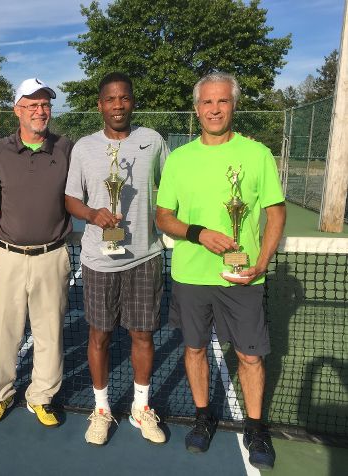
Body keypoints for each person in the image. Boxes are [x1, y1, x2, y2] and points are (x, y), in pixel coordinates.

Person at [155, 72, 286, 471]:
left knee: (250, 356)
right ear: (197, 110)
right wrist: (198, 234)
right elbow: (163, 217)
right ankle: (202, 416)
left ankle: (256, 426)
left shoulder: (258, 154)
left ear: (234, 105)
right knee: (194, 350)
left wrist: (262, 263)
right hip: (191, 277)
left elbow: (275, 212)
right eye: (207, 102)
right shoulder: (179, 158)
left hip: (243, 279)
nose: (214, 109)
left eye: (222, 101)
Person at [65, 72, 169, 445]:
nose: (118, 105)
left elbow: (171, 188)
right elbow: (71, 199)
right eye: (110, 99)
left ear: (132, 101)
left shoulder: (153, 141)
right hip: (99, 260)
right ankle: (102, 409)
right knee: (100, 335)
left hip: (145, 257)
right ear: (100, 105)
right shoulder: (83, 148)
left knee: (142, 334)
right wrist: (94, 215)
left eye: (124, 98)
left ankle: (141, 408)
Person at [0, 78, 73, 427]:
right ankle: (0, 394)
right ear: (17, 110)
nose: (40, 110)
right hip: (7, 256)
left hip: (53, 255)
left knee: (50, 331)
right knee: (4, 330)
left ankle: (42, 397)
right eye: (32, 104)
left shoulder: (66, 147)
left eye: (45, 104)